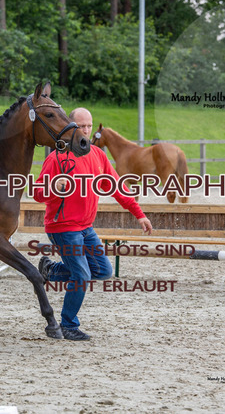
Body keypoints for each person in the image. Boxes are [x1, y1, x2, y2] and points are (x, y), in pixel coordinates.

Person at [33, 107, 153, 341]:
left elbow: (117, 187)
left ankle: (50, 270)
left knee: (103, 270)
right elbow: (37, 192)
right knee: (81, 275)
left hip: (86, 228)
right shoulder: (57, 157)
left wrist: (139, 214)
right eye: (81, 126)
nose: (86, 130)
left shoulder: (98, 155)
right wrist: (53, 187)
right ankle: (68, 326)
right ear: (70, 126)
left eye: (89, 126)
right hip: (63, 227)